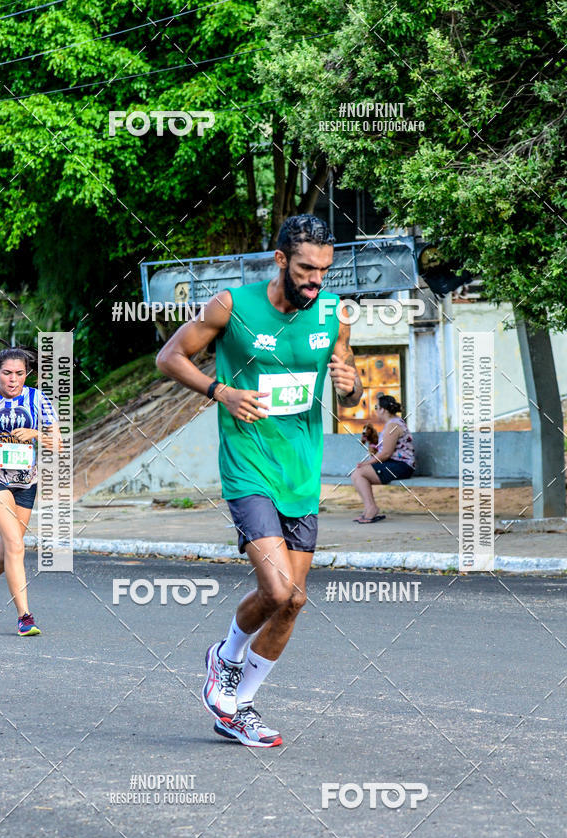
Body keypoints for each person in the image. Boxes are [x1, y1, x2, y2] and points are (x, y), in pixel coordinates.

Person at [156, 214, 363, 747]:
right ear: (280, 261)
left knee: (294, 602)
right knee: (276, 588)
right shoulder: (233, 306)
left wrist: (351, 386)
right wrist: (219, 391)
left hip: (301, 472)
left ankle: (238, 705)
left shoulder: (334, 315)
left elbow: (350, 389)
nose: (316, 281)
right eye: (306, 269)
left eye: (324, 271)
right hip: (248, 466)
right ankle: (225, 657)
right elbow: (169, 356)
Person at [0, 346, 61, 635]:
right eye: (7, 373)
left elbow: (57, 443)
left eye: (19, 373)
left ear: (27, 374)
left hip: (25, 482)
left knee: (9, 546)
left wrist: (36, 434)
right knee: (16, 546)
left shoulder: (37, 398)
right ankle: (25, 617)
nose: (13, 379)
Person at [351, 394, 415, 523]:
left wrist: (366, 463)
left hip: (401, 466)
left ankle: (371, 509)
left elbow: (386, 453)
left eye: (376, 407)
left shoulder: (393, 426)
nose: (375, 410)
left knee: (359, 473)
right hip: (395, 464)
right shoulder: (393, 423)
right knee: (357, 473)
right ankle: (369, 508)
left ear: (383, 410)